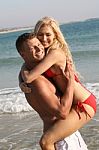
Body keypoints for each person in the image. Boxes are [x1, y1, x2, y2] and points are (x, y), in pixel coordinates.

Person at [17, 17, 97, 150]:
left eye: (48, 34)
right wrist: (21, 82)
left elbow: (29, 75)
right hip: (71, 102)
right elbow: (25, 65)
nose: (44, 39)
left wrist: (23, 78)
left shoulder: (55, 53)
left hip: (84, 103)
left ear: (55, 35)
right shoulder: (43, 54)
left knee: (46, 141)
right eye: (40, 35)